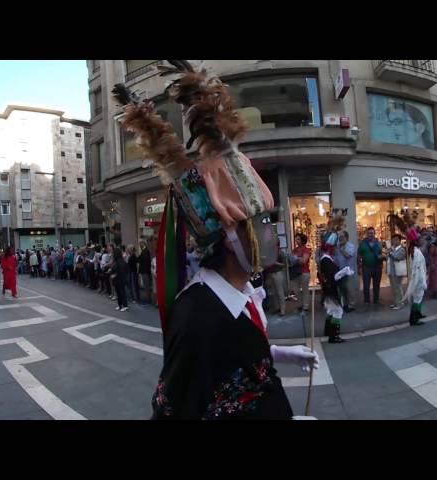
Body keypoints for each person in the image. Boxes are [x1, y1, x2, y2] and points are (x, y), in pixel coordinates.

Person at [113, 66, 318, 419]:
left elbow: (235, 360)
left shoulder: (244, 291)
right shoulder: (197, 318)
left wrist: (279, 355)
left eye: (267, 220)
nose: (270, 233)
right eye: (256, 223)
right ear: (226, 235)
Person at [319, 212, 353, 343]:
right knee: (338, 311)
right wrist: (344, 272)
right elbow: (331, 277)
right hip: (330, 290)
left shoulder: (326, 258)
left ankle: (328, 332)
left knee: (331, 311)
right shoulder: (326, 259)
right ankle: (334, 336)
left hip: (328, 290)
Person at [358, 227, 384, 305]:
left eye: (372, 233)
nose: (370, 235)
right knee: (366, 285)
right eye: (368, 233)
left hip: (377, 267)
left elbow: (380, 253)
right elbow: (359, 254)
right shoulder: (362, 243)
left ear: (374, 234)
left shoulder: (378, 243)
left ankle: (376, 299)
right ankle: (367, 300)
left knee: (376, 285)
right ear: (366, 234)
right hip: (366, 267)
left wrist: (382, 262)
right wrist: (359, 265)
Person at [406, 230, 427, 326]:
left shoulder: (413, 250)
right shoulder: (416, 252)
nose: (421, 240)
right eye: (419, 239)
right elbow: (418, 270)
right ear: (415, 241)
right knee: (417, 299)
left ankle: (417, 315)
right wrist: (422, 281)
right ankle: (413, 320)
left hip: (417, 279)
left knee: (417, 298)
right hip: (418, 280)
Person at [334, 230, 357, 312]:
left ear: (347, 238)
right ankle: (345, 304)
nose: (340, 239)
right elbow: (336, 259)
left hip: (349, 271)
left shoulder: (350, 246)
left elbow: (347, 255)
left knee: (349, 288)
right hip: (341, 272)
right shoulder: (337, 247)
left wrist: (341, 249)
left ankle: (351, 305)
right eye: (339, 237)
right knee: (342, 289)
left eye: (342, 237)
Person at [263, 241, 287, 316]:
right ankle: (277, 308)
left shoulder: (280, 252)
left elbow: (285, 264)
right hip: (270, 273)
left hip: (277, 273)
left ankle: (282, 310)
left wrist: (275, 263)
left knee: (280, 292)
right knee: (274, 292)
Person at [290, 233, 311, 312]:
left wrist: (295, 258)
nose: (296, 240)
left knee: (305, 289)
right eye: (296, 239)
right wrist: (298, 259)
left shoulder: (306, 249)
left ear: (302, 240)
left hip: (304, 271)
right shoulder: (294, 250)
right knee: (296, 290)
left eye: (298, 239)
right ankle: (300, 304)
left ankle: (306, 306)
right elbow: (292, 260)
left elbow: (304, 261)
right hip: (295, 272)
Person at [387, 233, 407, 309]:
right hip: (391, 271)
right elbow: (388, 258)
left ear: (399, 240)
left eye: (396, 239)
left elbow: (397, 257)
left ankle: (400, 303)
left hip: (397, 271)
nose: (394, 241)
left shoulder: (402, 249)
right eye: (393, 239)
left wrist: (390, 253)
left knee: (398, 288)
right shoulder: (392, 248)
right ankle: (396, 302)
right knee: (394, 288)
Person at [109, 248, 129, 312]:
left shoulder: (119, 261)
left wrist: (111, 271)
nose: (113, 254)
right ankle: (120, 305)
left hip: (120, 279)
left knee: (122, 293)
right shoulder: (118, 260)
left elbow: (115, 269)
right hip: (117, 279)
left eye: (113, 253)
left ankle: (125, 306)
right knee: (119, 293)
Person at [138, 240, 152, 305]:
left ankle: (148, 300)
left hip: (145, 271)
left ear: (144, 243)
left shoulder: (146, 251)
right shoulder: (143, 251)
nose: (139, 244)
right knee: (146, 285)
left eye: (140, 243)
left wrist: (139, 258)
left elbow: (145, 261)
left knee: (147, 286)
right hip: (144, 271)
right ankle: (147, 299)